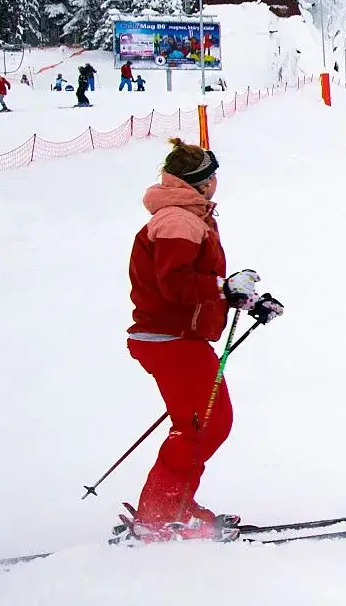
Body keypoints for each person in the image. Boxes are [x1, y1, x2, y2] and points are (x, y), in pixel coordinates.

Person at [126, 138, 284, 542]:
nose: (216, 182)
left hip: (178, 337)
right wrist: (223, 288)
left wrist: (245, 298)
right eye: (211, 175)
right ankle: (160, 516)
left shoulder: (187, 216)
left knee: (202, 424)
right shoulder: (178, 220)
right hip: (169, 339)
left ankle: (172, 506)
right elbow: (174, 284)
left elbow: (196, 284)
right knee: (204, 425)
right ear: (199, 182)